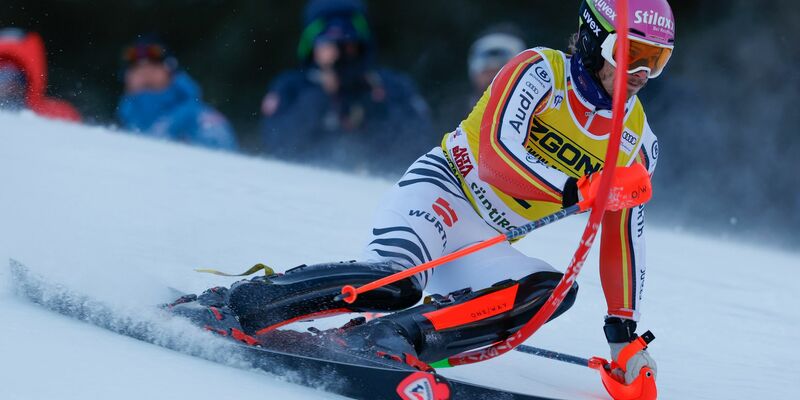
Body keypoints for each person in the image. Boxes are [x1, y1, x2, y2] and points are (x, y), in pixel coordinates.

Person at [172, 0, 674, 387]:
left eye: (657, 60)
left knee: (552, 291)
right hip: (441, 193)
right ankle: (237, 303)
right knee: (397, 283)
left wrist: (623, 337)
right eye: (633, 54)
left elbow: (624, 240)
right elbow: (497, 157)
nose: (641, 74)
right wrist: (577, 189)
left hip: (485, 238)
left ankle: (384, 341)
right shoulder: (537, 72)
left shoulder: (638, 141)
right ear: (594, 38)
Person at [260, 0, 434, 173]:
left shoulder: (389, 86)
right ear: (312, 45)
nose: (340, 55)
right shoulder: (291, 87)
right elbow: (276, 145)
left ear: (361, 45)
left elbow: (420, 146)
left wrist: (374, 103)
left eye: (347, 45)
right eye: (329, 44)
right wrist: (320, 95)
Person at [117, 37, 238, 151]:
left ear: (170, 72)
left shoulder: (201, 118)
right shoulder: (125, 120)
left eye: (154, 66)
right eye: (136, 69)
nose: (145, 73)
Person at [0, 29, 81, 122]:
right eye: (3, 76)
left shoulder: (57, 115)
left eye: (17, 77)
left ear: (29, 80)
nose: (10, 84)